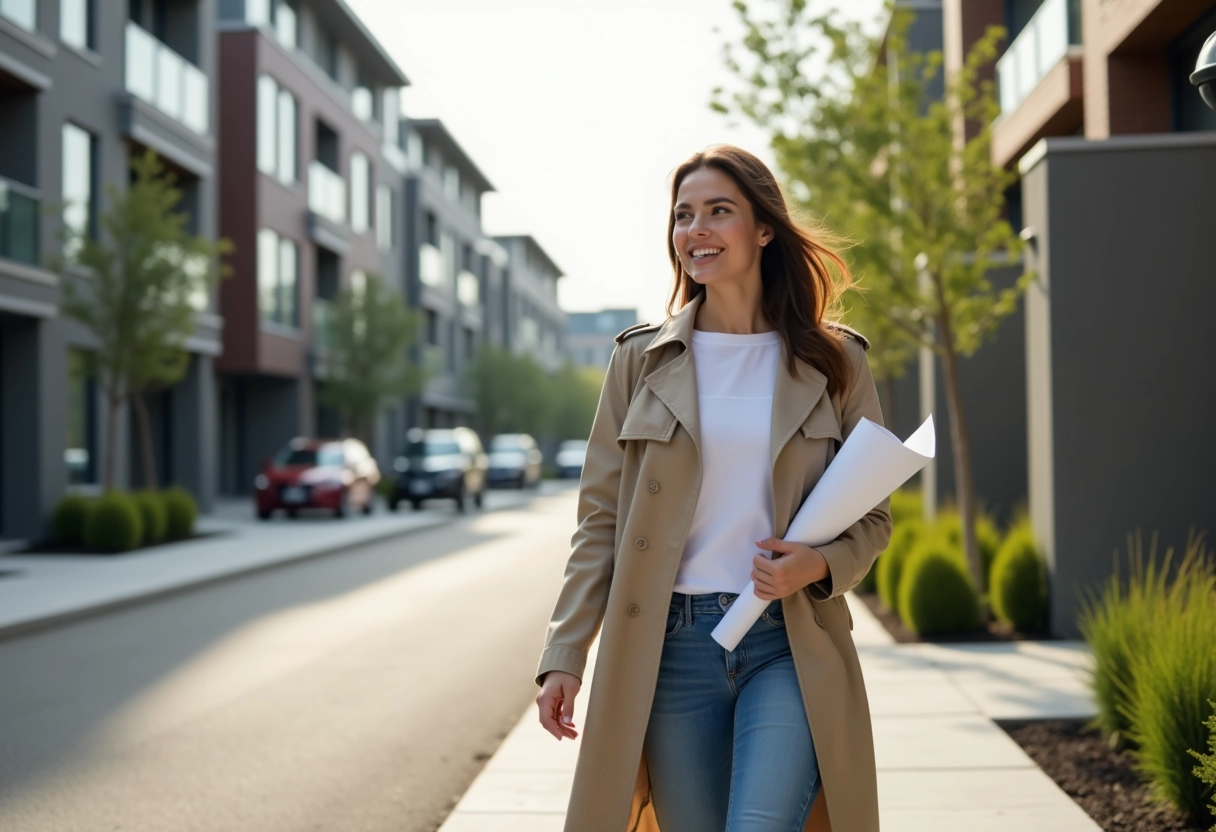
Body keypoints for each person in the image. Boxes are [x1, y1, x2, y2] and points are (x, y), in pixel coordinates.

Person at [534, 145, 892, 832]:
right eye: (683, 215)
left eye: (718, 212)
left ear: (763, 229)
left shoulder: (835, 359)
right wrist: (565, 655)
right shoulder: (639, 361)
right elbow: (601, 522)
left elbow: (873, 516)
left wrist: (818, 564)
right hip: (671, 649)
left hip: (789, 641)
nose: (695, 230)